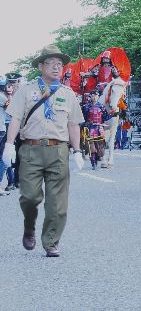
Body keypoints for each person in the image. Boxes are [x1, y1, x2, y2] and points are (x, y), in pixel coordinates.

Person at [2, 45, 85, 257]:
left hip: (58, 150)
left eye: (60, 64)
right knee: (29, 197)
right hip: (31, 149)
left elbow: (74, 124)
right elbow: (16, 119)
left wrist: (77, 151)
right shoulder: (26, 91)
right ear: (41, 66)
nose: (57, 67)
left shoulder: (68, 94)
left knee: (57, 202)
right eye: (52, 63)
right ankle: (29, 226)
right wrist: (10, 145)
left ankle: (51, 241)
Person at [82, 91, 111, 170]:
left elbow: (106, 117)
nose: (94, 97)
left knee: (100, 146)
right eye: (92, 95)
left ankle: (99, 157)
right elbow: (83, 118)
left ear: (98, 96)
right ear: (90, 97)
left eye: (96, 95)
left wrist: (112, 113)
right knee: (91, 146)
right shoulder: (86, 107)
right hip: (90, 128)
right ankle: (93, 162)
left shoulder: (102, 107)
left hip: (99, 128)